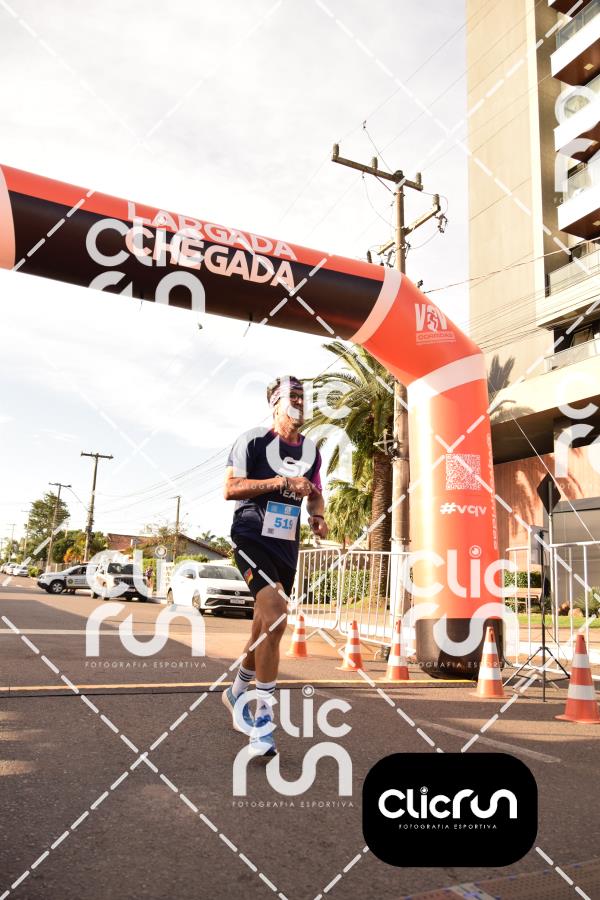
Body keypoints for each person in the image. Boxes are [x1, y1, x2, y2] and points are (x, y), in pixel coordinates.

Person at [222, 375, 328, 756]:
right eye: (291, 396)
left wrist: (317, 516)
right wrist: (280, 481)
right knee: (278, 617)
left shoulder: (311, 451)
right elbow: (231, 488)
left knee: (265, 624)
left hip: (286, 546)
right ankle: (262, 720)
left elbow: (315, 494)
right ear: (274, 405)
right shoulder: (252, 441)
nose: (298, 401)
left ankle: (236, 691)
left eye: (302, 396)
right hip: (250, 536)